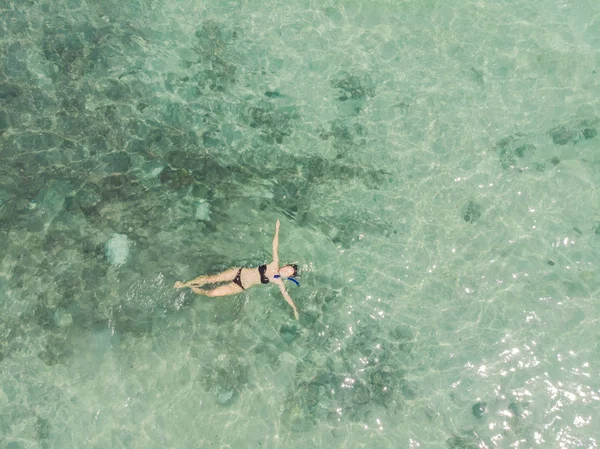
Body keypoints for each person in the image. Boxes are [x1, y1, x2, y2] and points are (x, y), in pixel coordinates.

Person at [174, 220, 300, 319]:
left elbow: (286, 295)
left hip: (239, 286)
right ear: (284, 265)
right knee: (211, 279)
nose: (286, 271)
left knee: (212, 293)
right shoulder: (274, 263)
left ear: (287, 277)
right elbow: (275, 246)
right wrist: (277, 229)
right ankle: (184, 284)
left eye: (288, 273)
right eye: (287, 268)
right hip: (238, 272)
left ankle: (198, 291)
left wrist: (294, 308)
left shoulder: (278, 281)